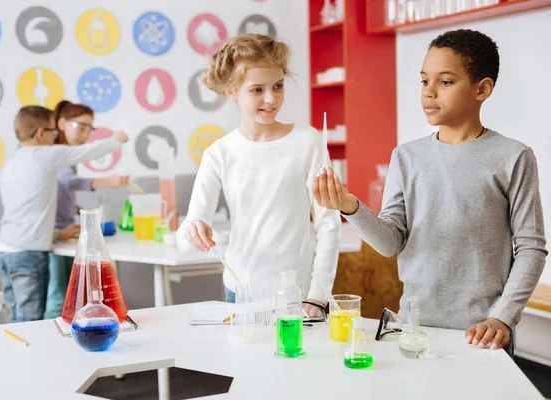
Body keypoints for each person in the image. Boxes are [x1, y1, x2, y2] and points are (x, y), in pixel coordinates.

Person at [313, 29, 547, 354]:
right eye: (424, 81)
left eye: (445, 82)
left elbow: (531, 248)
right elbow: (390, 242)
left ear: (483, 88)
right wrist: (350, 206)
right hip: (414, 330)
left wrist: (502, 318)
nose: (429, 92)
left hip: (482, 334)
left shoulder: (513, 157)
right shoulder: (406, 157)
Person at [177, 34, 341, 316]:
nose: (271, 98)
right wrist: (192, 231)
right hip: (240, 291)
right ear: (232, 91)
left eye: (278, 86)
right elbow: (187, 232)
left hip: (298, 295)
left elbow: (329, 224)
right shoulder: (219, 153)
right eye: (257, 90)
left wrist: (318, 295)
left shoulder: (307, 141)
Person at [0, 105, 128, 322]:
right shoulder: (45, 155)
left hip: (4, 251)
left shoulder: (12, 162)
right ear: (40, 133)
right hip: (28, 254)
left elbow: (27, 215)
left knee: (17, 317)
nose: (57, 136)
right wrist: (116, 140)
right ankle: (32, 356)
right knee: (30, 322)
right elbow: (86, 152)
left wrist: (57, 234)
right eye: (53, 131)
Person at [43, 100, 129, 319]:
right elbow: (67, 182)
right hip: (55, 234)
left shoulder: (65, 154)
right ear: (62, 124)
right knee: (58, 296)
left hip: (63, 230)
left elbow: (60, 189)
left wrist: (74, 206)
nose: (84, 134)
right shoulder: (56, 153)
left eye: (89, 129)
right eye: (80, 127)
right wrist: (104, 182)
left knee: (64, 294)